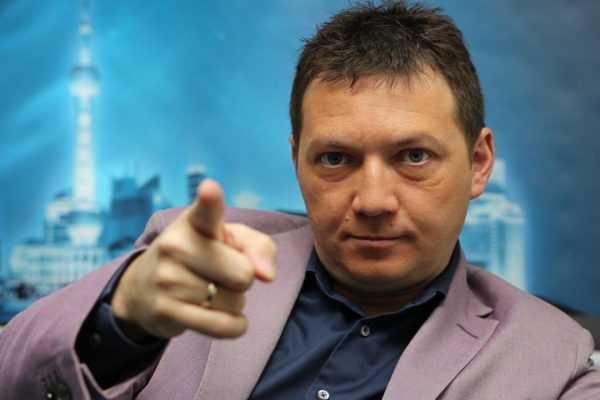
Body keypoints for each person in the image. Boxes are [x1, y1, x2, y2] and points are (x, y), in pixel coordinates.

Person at [1, 1, 599, 399]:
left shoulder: (555, 361)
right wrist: (120, 321)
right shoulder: (193, 259)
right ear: (297, 162)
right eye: (335, 159)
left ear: (478, 162)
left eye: (414, 156)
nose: (372, 200)